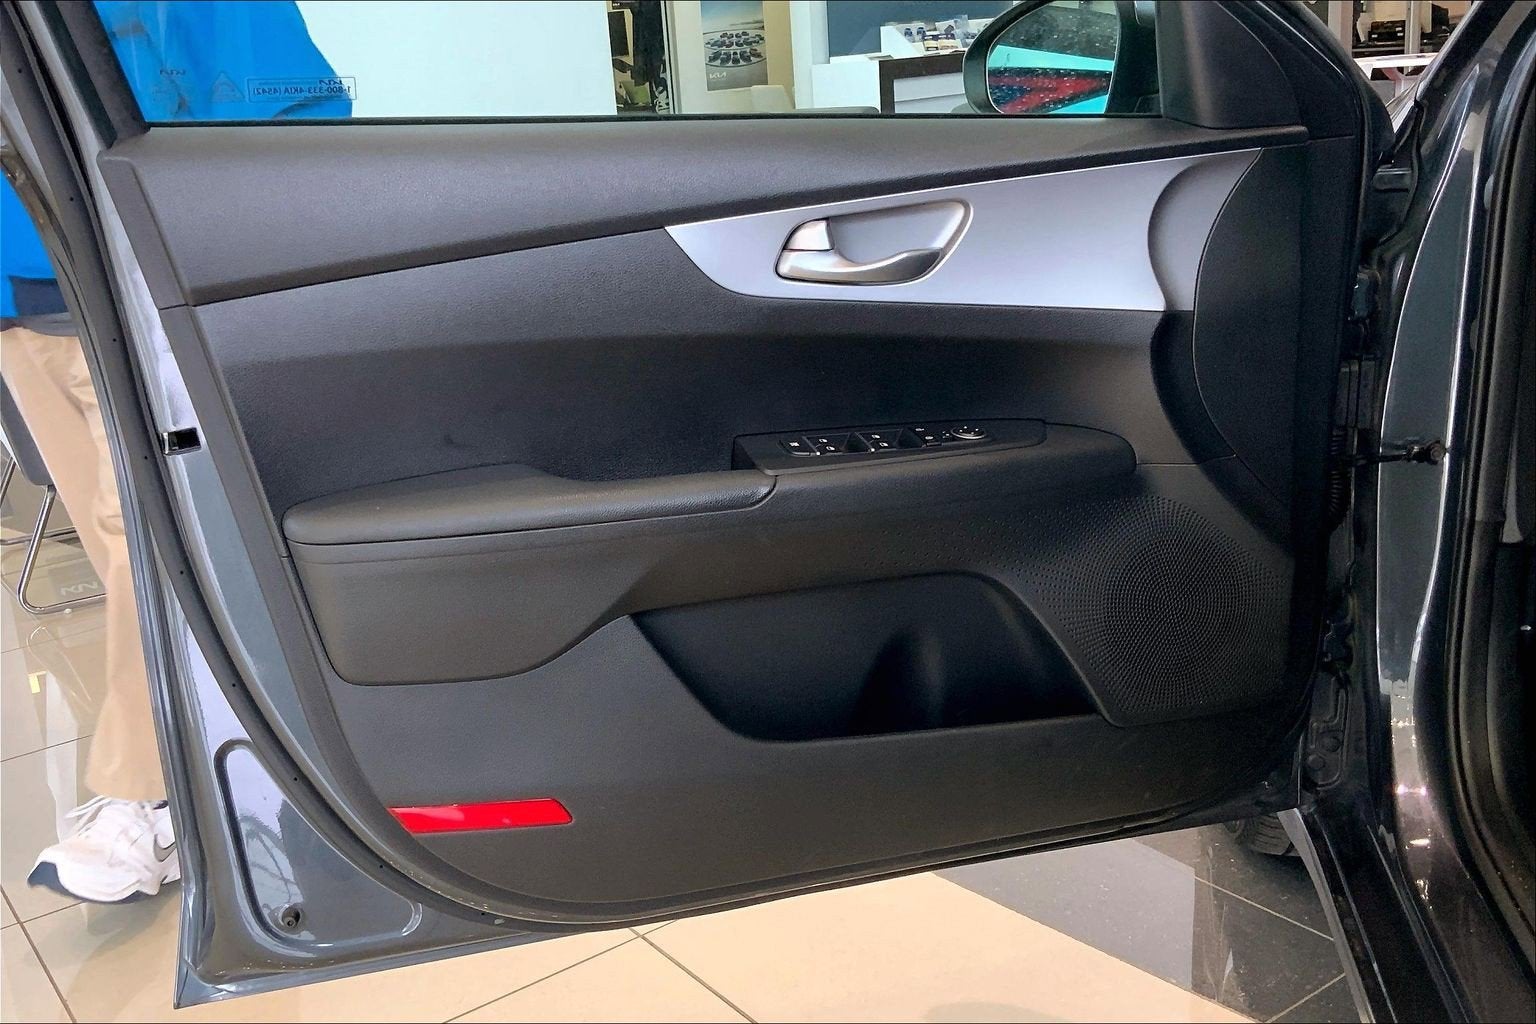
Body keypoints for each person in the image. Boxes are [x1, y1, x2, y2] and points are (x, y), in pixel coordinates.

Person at [3, 0, 349, 904]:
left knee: (144, 538)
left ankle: (150, 792)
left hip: (126, 278)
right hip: (17, 302)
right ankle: (207, 757)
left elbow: (288, 101)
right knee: (117, 546)